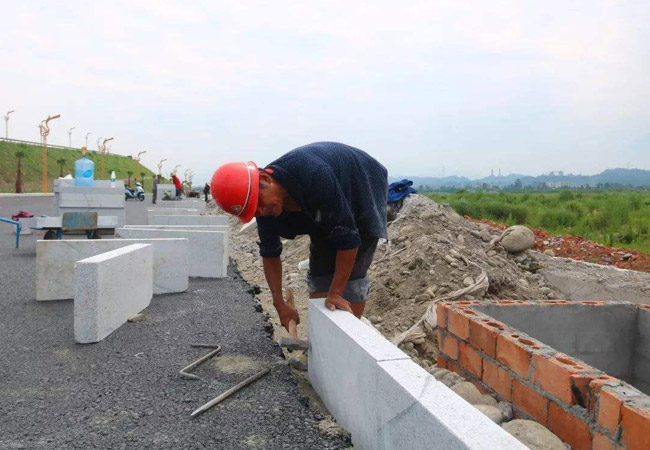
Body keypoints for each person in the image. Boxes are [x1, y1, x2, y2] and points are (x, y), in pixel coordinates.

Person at [210, 142, 388, 334]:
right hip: (320, 200)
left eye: (259, 203)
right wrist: (279, 304)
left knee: (353, 270)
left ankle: (350, 337)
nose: (261, 211)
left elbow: (349, 240)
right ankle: (323, 342)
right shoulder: (263, 208)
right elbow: (270, 254)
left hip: (361, 180)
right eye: (254, 211)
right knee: (321, 268)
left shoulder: (314, 175)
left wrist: (336, 292)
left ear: (266, 179)